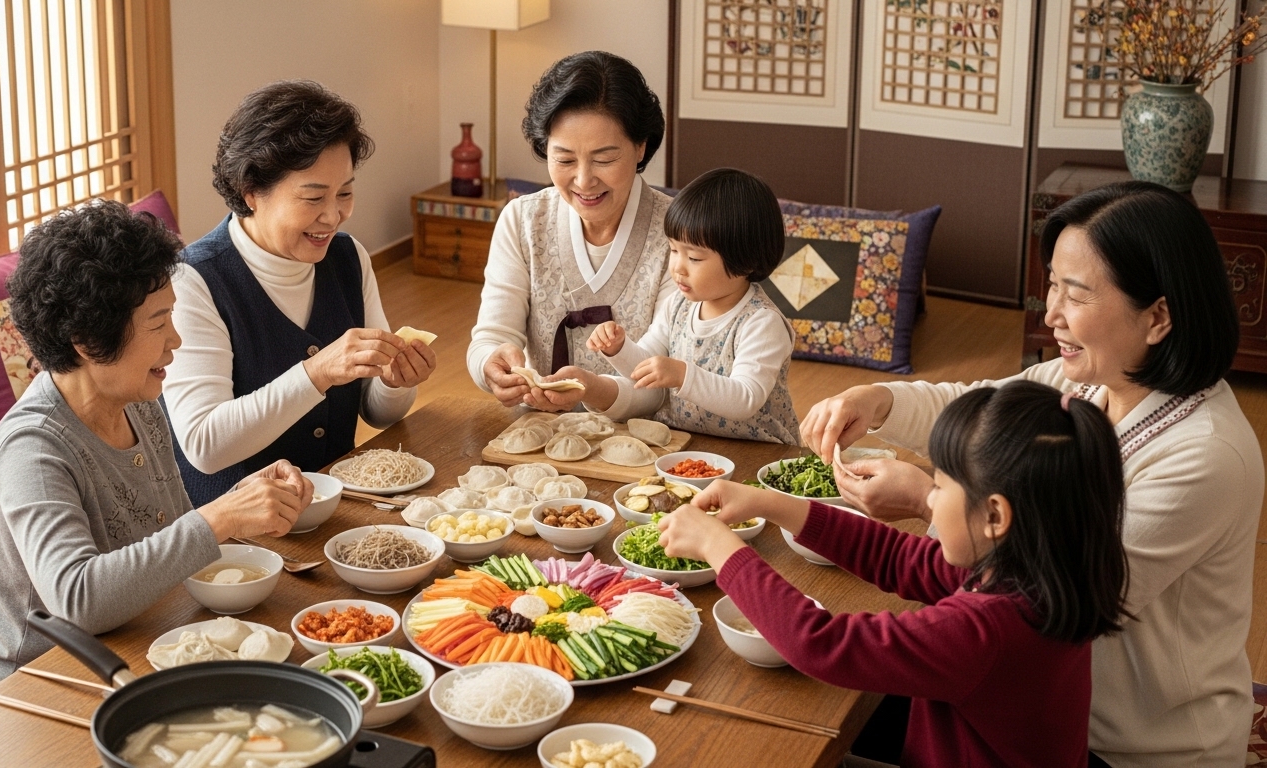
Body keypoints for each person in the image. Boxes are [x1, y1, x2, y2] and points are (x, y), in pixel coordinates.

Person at [802, 181, 1262, 766]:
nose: (1051, 314)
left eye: (1076, 295)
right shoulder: (1087, 382)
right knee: (814, 698)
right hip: (1036, 697)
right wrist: (877, 400)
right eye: (1052, 285)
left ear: (1157, 317)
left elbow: (1053, 591)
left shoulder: (1206, 454)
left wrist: (928, 501)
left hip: (1128, 747)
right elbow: (977, 408)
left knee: (833, 702)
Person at [660, 382, 1130, 767]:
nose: (928, 499)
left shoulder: (987, 630)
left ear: (994, 516)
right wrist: (772, 504)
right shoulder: (1037, 574)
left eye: (939, 487)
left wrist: (721, 549)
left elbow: (822, 644)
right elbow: (897, 556)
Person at [0, 201, 311, 707]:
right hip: (30, 689)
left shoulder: (139, 402)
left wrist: (244, 499)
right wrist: (221, 517)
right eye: (158, 323)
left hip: (126, 652)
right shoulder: (32, 448)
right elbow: (78, 599)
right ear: (87, 341)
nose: (176, 340)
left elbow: (167, 536)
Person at [163, 80, 435, 506]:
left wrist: (395, 382)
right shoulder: (193, 280)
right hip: (235, 531)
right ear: (251, 193)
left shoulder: (347, 257)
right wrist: (318, 371)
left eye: (345, 192)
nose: (334, 215)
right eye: (312, 198)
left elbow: (378, 413)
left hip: (335, 510)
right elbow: (204, 444)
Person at [468, 51, 673, 412]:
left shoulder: (681, 233)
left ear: (641, 146)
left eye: (604, 159)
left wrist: (592, 390)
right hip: (540, 430)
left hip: (648, 437)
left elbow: (666, 382)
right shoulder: (523, 220)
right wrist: (490, 364)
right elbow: (492, 335)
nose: (583, 180)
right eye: (564, 159)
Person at [574, 168, 801, 443]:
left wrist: (682, 375)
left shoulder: (762, 323)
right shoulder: (677, 306)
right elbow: (646, 368)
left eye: (694, 258)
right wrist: (619, 349)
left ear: (745, 260)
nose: (678, 267)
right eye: (673, 250)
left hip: (757, 451)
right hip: (687, 443)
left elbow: (746, 398)